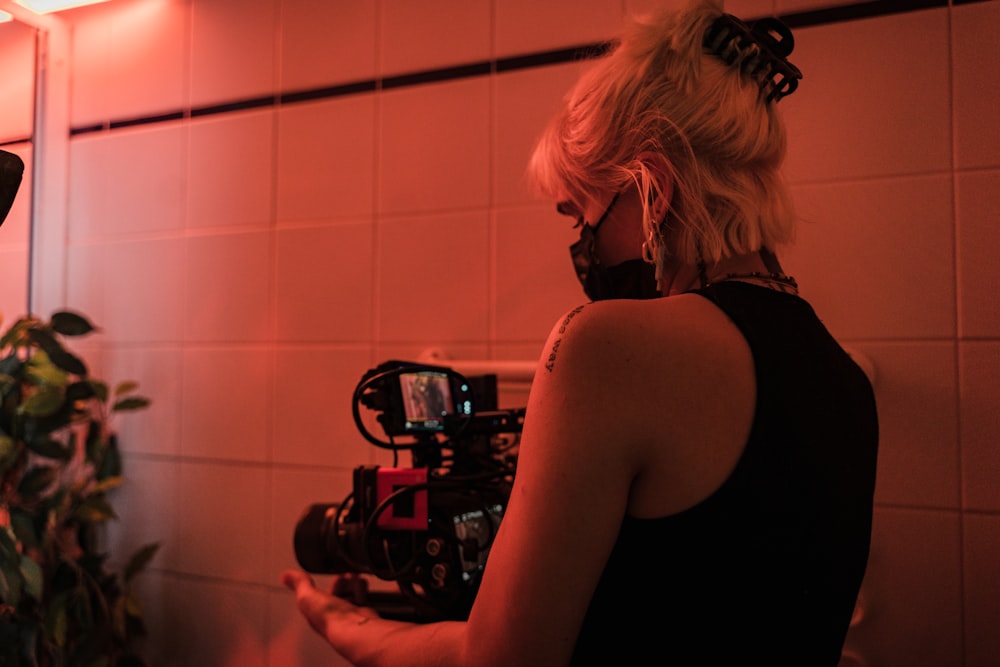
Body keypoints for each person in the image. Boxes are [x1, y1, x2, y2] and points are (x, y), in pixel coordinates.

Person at [281, 1, 879, 665]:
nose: (582, 245)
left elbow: (497, 659)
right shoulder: (844, 377)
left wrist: (347, 626)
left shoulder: (606, 349)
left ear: (652, 188)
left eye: (583, 213)